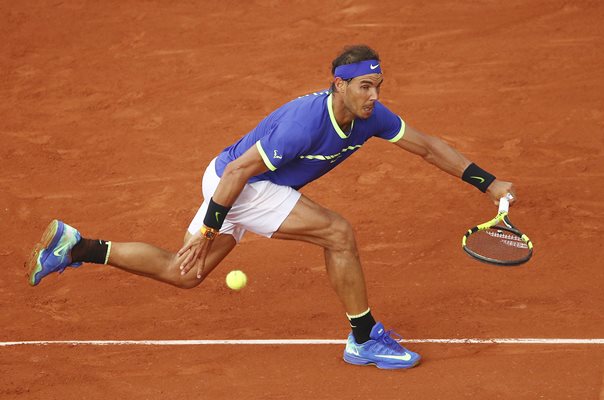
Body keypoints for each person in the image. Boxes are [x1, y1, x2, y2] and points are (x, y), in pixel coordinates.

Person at [28, 45, 515, 370]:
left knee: (184, 275)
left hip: (237, 186)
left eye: (379, 86)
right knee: (338, 234)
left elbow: (427, 147)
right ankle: (364, 337)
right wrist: (209, 231)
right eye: (365, 86)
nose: (374, 95)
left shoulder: (373, 118)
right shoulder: (304, 123)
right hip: (238, 184)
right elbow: (240, 172)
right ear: (338, 85)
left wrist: (486, 182)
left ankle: (77, 247)